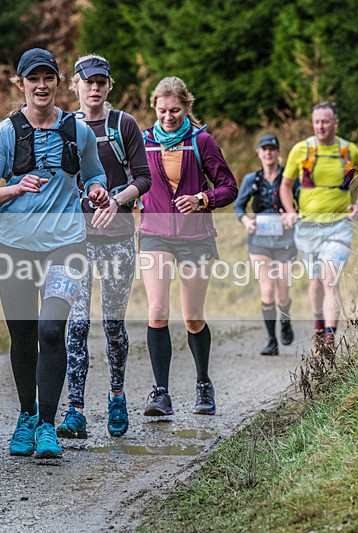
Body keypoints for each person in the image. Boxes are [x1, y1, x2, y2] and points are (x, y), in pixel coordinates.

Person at [0, 48, 109, 459]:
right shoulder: (5, 133)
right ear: (21, 85)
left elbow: (95, 171)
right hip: (14, 248)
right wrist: (14, 188)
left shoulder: (77, 130)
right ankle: (26, 416)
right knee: (24, 335)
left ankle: (48, 426)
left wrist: (98, 188)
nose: (42, 85)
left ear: (57, 82)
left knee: (51, 330)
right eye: (34, 79)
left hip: (66, 245)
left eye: (49, 77)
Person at [58, 54, 151, 439]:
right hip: (77, 239)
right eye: (87, 82)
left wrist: (117, 200)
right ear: (75, 86)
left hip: (117, 239)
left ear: (109, 86)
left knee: (113, 324)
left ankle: (117, 396)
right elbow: (57, 180)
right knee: (76, 325)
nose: (94, 88)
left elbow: (145, 178)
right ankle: (76, 409)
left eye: (101, 82)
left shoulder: (123, 124)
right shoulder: (63, 126)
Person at [139, 76, 238, 417]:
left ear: (187, 107)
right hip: (154, 234)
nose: (169, 117)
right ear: (154, 106)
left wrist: (202, 198)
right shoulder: (143, 142)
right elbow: (130, 182)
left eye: (176, 111)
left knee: (192, 318)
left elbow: (229, 187)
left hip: (195, 238)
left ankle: (203, 385)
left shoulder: (202, 141)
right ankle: (160, 393)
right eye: (163, 110)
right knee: (157, 312)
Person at [279, 101, 358, 356]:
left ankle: (330, 336)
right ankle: (319, 329)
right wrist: (290, 212)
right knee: (316, 282)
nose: (320, 126)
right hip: (307, 227)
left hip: (338, 226)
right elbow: (285, 185)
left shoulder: (348, 151)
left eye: (325, 121)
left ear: (335, 123)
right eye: (316, 121)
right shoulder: (301, 150)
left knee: (330, 279)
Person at [233, 134, 298, 356]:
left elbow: (300, 206)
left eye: (272, 148)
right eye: (264, 149)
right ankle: (272, 340)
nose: (268, 153)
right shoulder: (252, 180)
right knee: (267, 291)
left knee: (282, 293)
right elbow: (238, 207)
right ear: (259, 153)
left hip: (285, 241)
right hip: (259, 241)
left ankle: (285, 321)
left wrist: (292, 216)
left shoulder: (289, 179)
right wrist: (246, 221)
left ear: (278, 152)